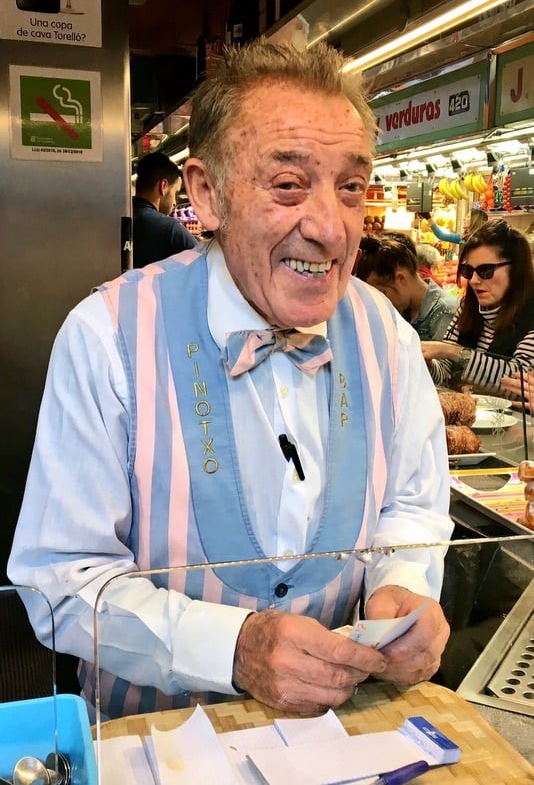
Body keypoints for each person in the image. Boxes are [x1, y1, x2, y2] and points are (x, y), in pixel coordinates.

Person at [8, 38, 453, 721]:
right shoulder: (108, 337)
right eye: (288, 185)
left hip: (337, 737)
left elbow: (412, 508)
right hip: (151, 742)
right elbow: (58, 581)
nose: (331, 229)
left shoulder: (387, 337)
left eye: (351, 187)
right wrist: (232, 649)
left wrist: (403, 585)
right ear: (207, 194)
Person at [422, 219, 534, 392]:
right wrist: (425, 363)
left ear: (515, 269)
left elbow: (520, 382)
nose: (474, 280)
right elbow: (444, 372)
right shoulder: (468, 308)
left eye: (486, 270)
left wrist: (455, 352)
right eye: (468, 271)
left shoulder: (530, 314)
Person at [355, 234, 457, 341]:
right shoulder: (403, 309)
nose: (380, 302)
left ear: (400, 278)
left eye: (382, 293)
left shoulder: (445, 312)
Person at [132, 151, 196, 267]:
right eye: (175, 193)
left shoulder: (120, 216)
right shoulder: (170, 229)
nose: (175, 203)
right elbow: (202, 263)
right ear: (163, 186)